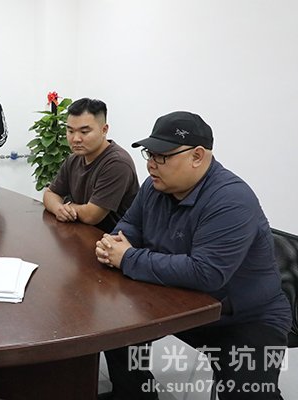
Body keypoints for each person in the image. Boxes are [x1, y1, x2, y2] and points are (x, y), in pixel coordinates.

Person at [95, 111, 291, 400]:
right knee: (115, 329)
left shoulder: (231, 200)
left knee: (247, 393)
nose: (151, 164)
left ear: (197, 156)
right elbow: (131, 226)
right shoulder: (154, 186)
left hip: (243, 317)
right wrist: (113, 244)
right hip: (179, 300)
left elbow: (206, 273)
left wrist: (127, 257)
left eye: (162, 156)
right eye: (150, 154)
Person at [43, 98, 139, 233]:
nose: (76, 139)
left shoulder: (117, 163)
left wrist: (66, 206)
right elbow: (50, 194)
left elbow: (91, 216)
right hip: (78, 233)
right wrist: (59, 209)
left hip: (109, 239)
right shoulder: (74, 158)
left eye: (84, 132)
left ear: (104, 130)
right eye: (70, 131)